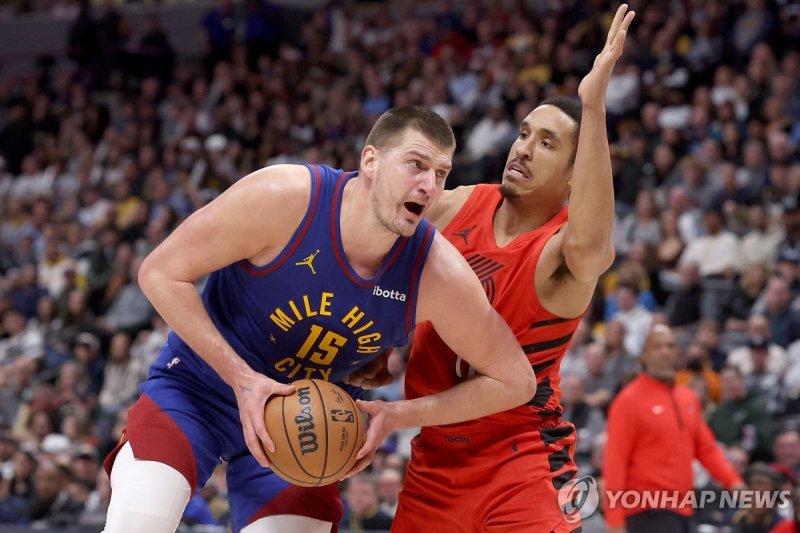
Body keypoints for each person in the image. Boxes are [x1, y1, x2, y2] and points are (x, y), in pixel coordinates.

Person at [100, 105, 536, 533]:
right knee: (137, 523)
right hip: (199, 391)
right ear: (371, 160)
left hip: (307, 427)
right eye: (416, 165)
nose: (428, 185)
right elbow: (159, 272)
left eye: (440, 174)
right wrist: (242, 379)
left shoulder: (437, 272)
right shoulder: (284, 197)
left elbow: (515, 380)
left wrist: (399, 414)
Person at [356, 6, 634, 531]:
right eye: (524, 133)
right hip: (434, 463)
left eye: (546, 144)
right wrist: (380, 340)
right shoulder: (454, 207)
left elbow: (595, 244)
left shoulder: (562, 256)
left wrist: (592, 105)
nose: (523, 149)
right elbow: (377, 250)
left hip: (523, 461)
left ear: (576, 175)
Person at [603, 325, 745, 533]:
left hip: (683, 509)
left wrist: (733, 482)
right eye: (657, 346)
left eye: (670, 346)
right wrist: (614, 522)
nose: (665, 352)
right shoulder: (628, 401)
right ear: (644, 355)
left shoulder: (687, 398)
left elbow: (706, 449)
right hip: (645, 511)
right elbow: (615, 461)